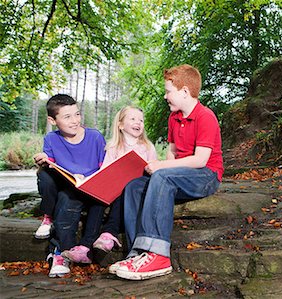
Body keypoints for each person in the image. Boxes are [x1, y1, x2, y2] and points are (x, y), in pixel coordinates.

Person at [110, 64, 224, 280]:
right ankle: (139, 253)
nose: (165, 96)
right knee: (135, 186)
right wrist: (158, 170)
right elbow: (172, 153)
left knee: (161, 176)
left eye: (168, 91)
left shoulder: (205, 116)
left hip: (206, 176)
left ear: (184, 92)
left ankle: (158, 255)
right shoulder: (174, 118)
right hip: (179, 174)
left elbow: (201, 160)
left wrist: (160, 168)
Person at [33, 94, 106, 277]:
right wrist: (43, 160)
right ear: (53, 120)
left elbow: (105, 168)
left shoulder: (95, 137)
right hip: (67, 188)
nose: (75, 121)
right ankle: (60, 249)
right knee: (53, 184)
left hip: (91, 190)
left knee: (68, 198)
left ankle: (59, 252)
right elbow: (50, 168)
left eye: (77, 114)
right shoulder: (51, 139)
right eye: (67, 117)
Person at [92, 106, 158, 253]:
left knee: (128, 190)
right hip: (117, 190)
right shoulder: (114, 147)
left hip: (140, 188)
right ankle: (103, 237)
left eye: (141, 120)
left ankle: (110, 232)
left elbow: (155, 171)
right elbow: (105, 172)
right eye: (133, 119)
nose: (138, 123)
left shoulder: (147, 147)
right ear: (121, 125)